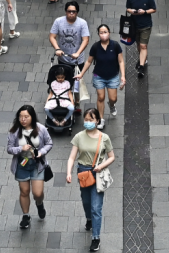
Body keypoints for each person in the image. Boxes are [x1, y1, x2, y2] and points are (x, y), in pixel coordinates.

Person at [66, 108, 115, 252]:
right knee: (86, 201)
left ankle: (96, 238)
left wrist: (101, 166)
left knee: (96, 207)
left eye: (91, 119)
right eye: (86, 119)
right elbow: (72, 157)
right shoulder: (79, 137)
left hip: (97, 174)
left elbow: (112, 156)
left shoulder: (104, 138)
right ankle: (89, 219)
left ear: (97, 121)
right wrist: (68, 172)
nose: (88, 122)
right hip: (83, 172)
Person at [7, 105, 54, 228]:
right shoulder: (14, 131)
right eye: (21, 117)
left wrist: (41, 152)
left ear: (32, 117)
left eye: (26, 117)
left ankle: (39, 204)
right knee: (24, 191)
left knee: (37, 193)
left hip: (37, 164)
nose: (23, 119)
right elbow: (9, 148)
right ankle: (26, 216)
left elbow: (49, 143)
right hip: (22, 164)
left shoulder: (41, 129)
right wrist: (20, 149)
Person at [74, 24, 125, 129]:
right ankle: (101, 119)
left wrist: (123, 76)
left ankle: (111, 105)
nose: (103, 34)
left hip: (113, 76)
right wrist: (81, 73)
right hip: (99, 76)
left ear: (109, 32)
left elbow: (121, 61)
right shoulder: (95, 47)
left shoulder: (115, 45)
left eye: (105, 32)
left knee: (113, 98)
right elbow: (89, 61)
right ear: (98, 34)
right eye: (101, 33)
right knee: (100, 97)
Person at [51, 1, 91, 108]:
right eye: (69, 11)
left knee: (77, 81)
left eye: (74, 12)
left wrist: (78, 53)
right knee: (63, 79)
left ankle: (76, 99)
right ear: (66, 12)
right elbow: (52, 36)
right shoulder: (58, 21)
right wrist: (57, 48)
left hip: (78, 60)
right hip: (63, 59)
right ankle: (65, 97)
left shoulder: (82, 23)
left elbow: (86, 40)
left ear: (77, 12)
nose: (71, 13)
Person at [125, 0, 156, 77]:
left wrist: (145, 12)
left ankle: (141, 67)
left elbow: (154, 9)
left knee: (143, 45)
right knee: (138, 45)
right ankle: (143, 58)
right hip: (134, 25)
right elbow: (127, 8)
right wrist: (133, 11)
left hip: (146, 26)